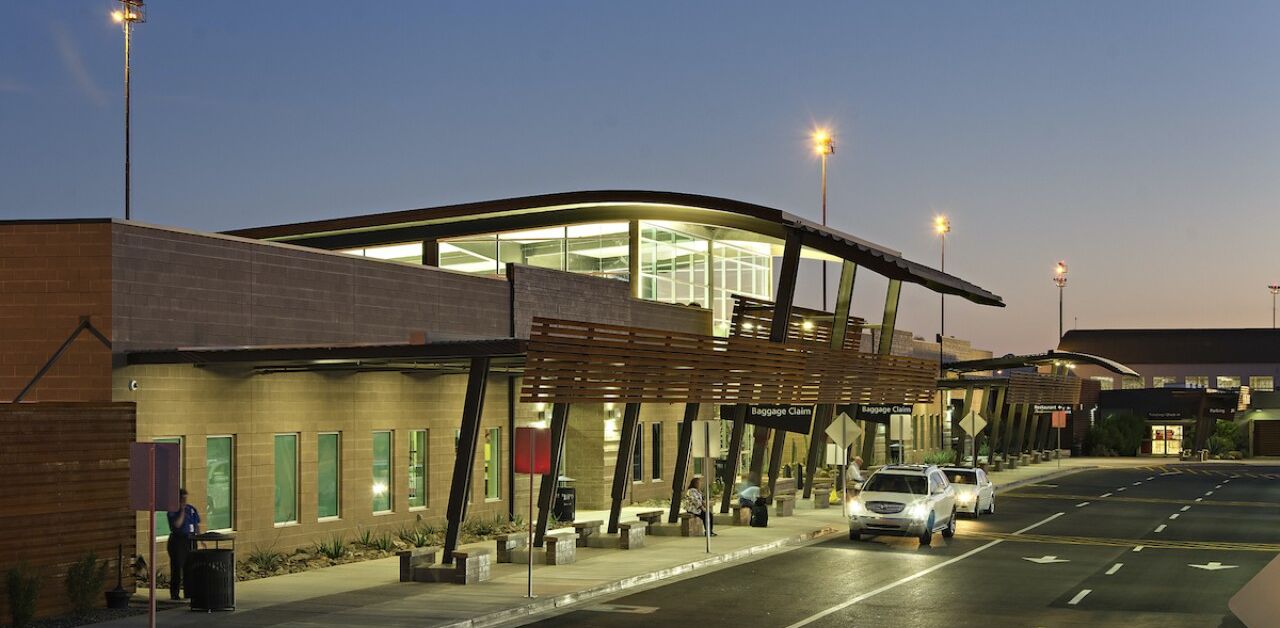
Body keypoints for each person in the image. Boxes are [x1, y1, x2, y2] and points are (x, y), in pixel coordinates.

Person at [166, 488, 201, 600]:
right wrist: (181, 511)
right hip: (178, 540)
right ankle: (175, 593)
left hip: (190, 539)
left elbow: (196, 524)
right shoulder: (173, 511)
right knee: (177, 567)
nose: (184, 500)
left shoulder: (191, 509)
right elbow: (177, 525)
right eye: (182, 498)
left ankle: (189, 592)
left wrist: (200, 539)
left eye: (186, 498)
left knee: (190, 568)